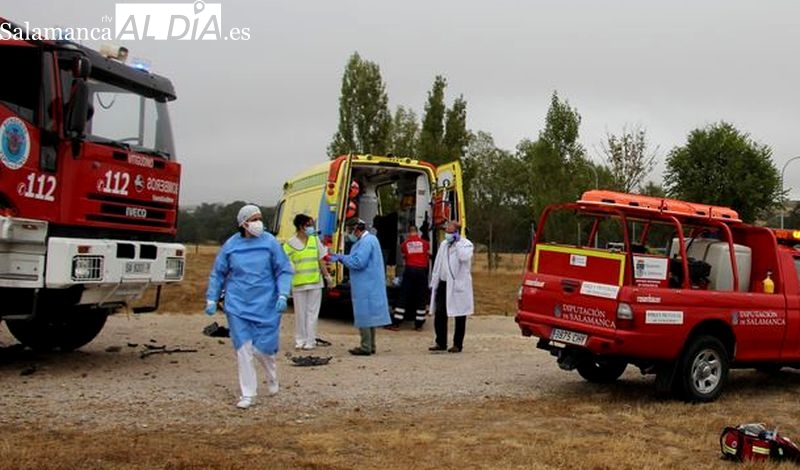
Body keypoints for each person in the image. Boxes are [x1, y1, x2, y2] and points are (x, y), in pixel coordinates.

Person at [205, 204, 294, 409]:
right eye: (254, 219)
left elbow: (283, 270)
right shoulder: (231, 246)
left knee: (264, 349)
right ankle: (248, 393)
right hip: (237, 303)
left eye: (259, 218)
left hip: (266, 302)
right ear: (243, 223)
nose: (258, 223)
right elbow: (218, 272)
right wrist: (212, 297)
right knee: (243, 348)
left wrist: (282, 293)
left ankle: (272, 377)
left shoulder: (270, 243)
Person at [329, 218, 391, 355]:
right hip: (369, 283)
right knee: (369, 317)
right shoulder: (369, 240)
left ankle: (365, 346)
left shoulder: (366, 242)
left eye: (351, 230)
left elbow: (358, 262)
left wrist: (341, 258)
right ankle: (371, 345)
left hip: (366, 285)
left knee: (364, 315)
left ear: (357, 229)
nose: (350, 233)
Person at [283, 213, 332, 350]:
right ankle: (300, 340)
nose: (311, 228)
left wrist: (327, 277)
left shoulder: (314, 239)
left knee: (312, 313)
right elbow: (284, 262)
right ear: (301, 226)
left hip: (315, 282)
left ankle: (310, 340)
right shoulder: (290, 243)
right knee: (300, 314)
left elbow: (321, 259)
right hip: (299, 284)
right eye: (308, 225)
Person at [428, 220, 474, 353]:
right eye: (446, 231)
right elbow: (438, 263)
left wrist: (458, 243)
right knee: (440, 313)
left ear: (456, 232)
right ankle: (440, 342)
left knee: (460, 315)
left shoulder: (466, 244)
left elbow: (464, 257)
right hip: (443, 283)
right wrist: (433, 281)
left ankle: (457, 344)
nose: (446, 234)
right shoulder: (443, 244)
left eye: (449, 231)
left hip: (457, 285)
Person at [389, 225, 430, 331]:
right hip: (422, 272)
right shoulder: (425, 243)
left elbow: (403, 254)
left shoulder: (405, 244)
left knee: (404, 296)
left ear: (409, 233)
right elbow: (427, 252)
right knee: (421, 297)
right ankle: (419, 324)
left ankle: (397, 323)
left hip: (410, 270)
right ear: (417, 232)